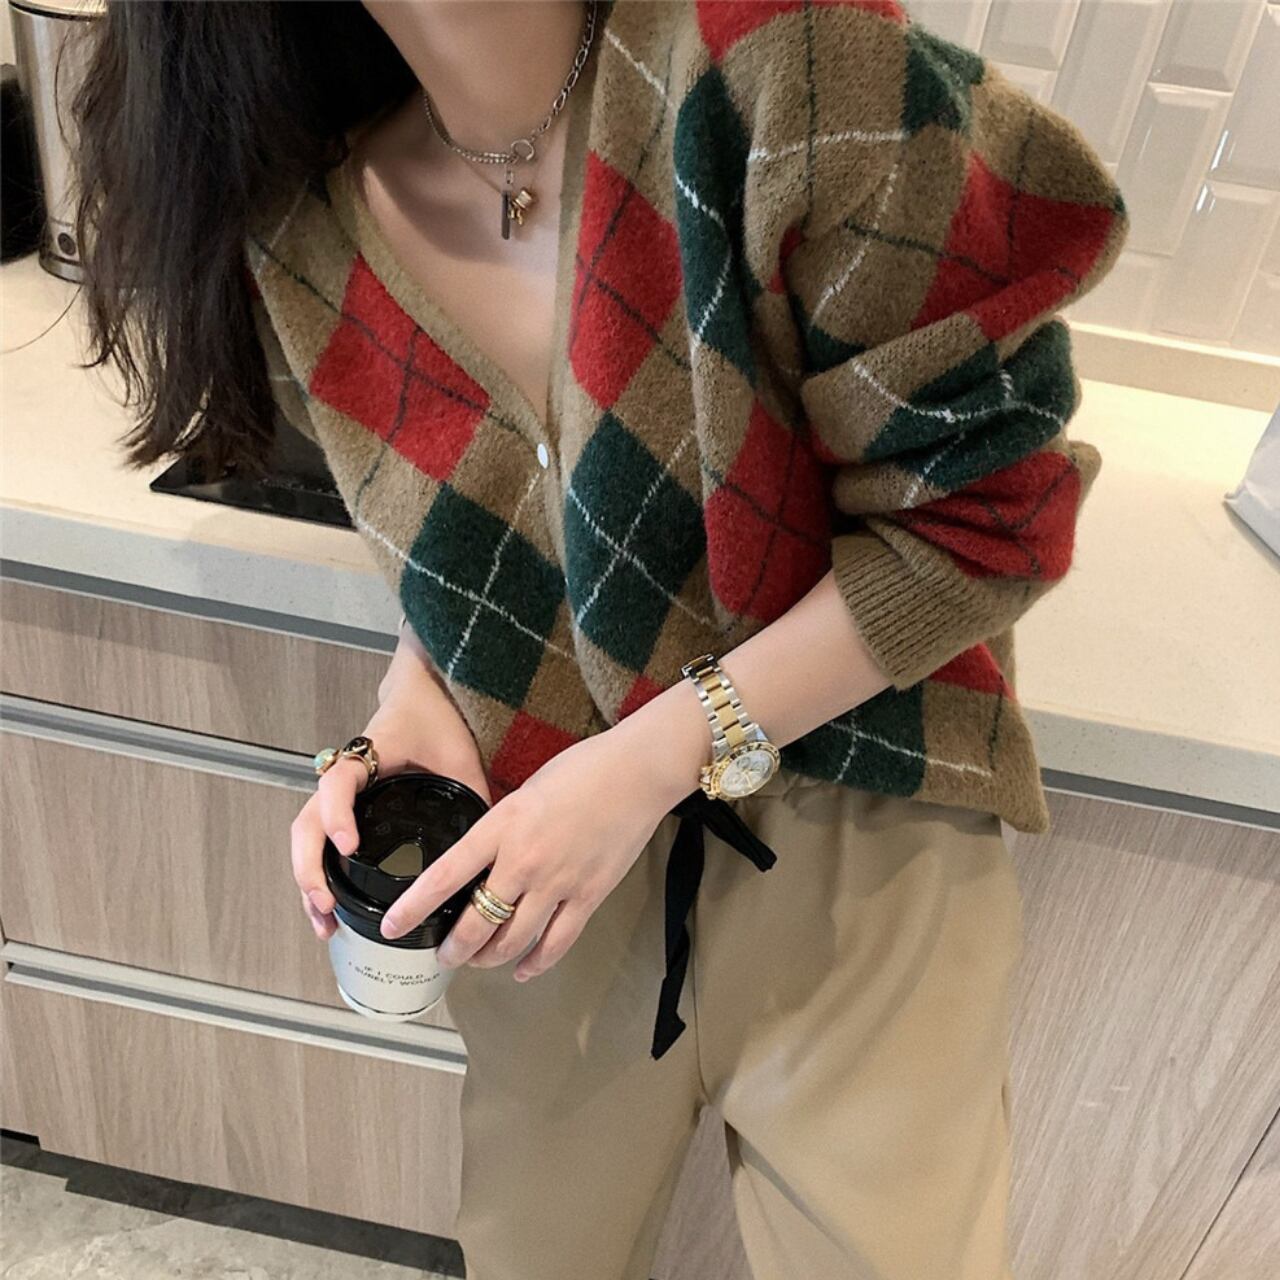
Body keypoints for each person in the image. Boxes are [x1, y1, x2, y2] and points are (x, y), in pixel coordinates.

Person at [72, 2, 1129, 1276]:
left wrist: (645, 762)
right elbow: (496, 529)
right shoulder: (302, 224)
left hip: (858, 820)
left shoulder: (781, 68)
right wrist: (422, 701)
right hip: (544, 855)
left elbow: (986, 519)